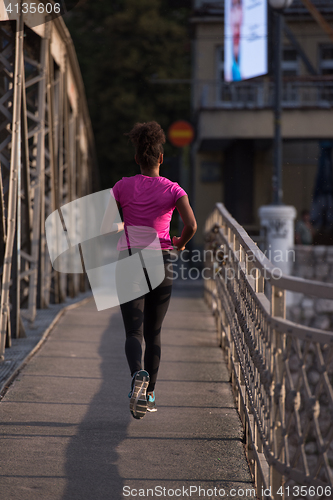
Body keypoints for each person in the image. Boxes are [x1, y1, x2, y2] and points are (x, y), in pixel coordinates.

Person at [102, 121, 197, 419]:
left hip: (130, 259)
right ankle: (150, 393)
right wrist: (179, 242)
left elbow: (105, 224)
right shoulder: (173, 189)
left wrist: (124, 225)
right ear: (161, 158)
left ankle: (136, 377)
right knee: (154, 333)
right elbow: (192, 225)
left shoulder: (122, 186)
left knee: (134, 331)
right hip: (163, 261)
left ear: (136, 159)